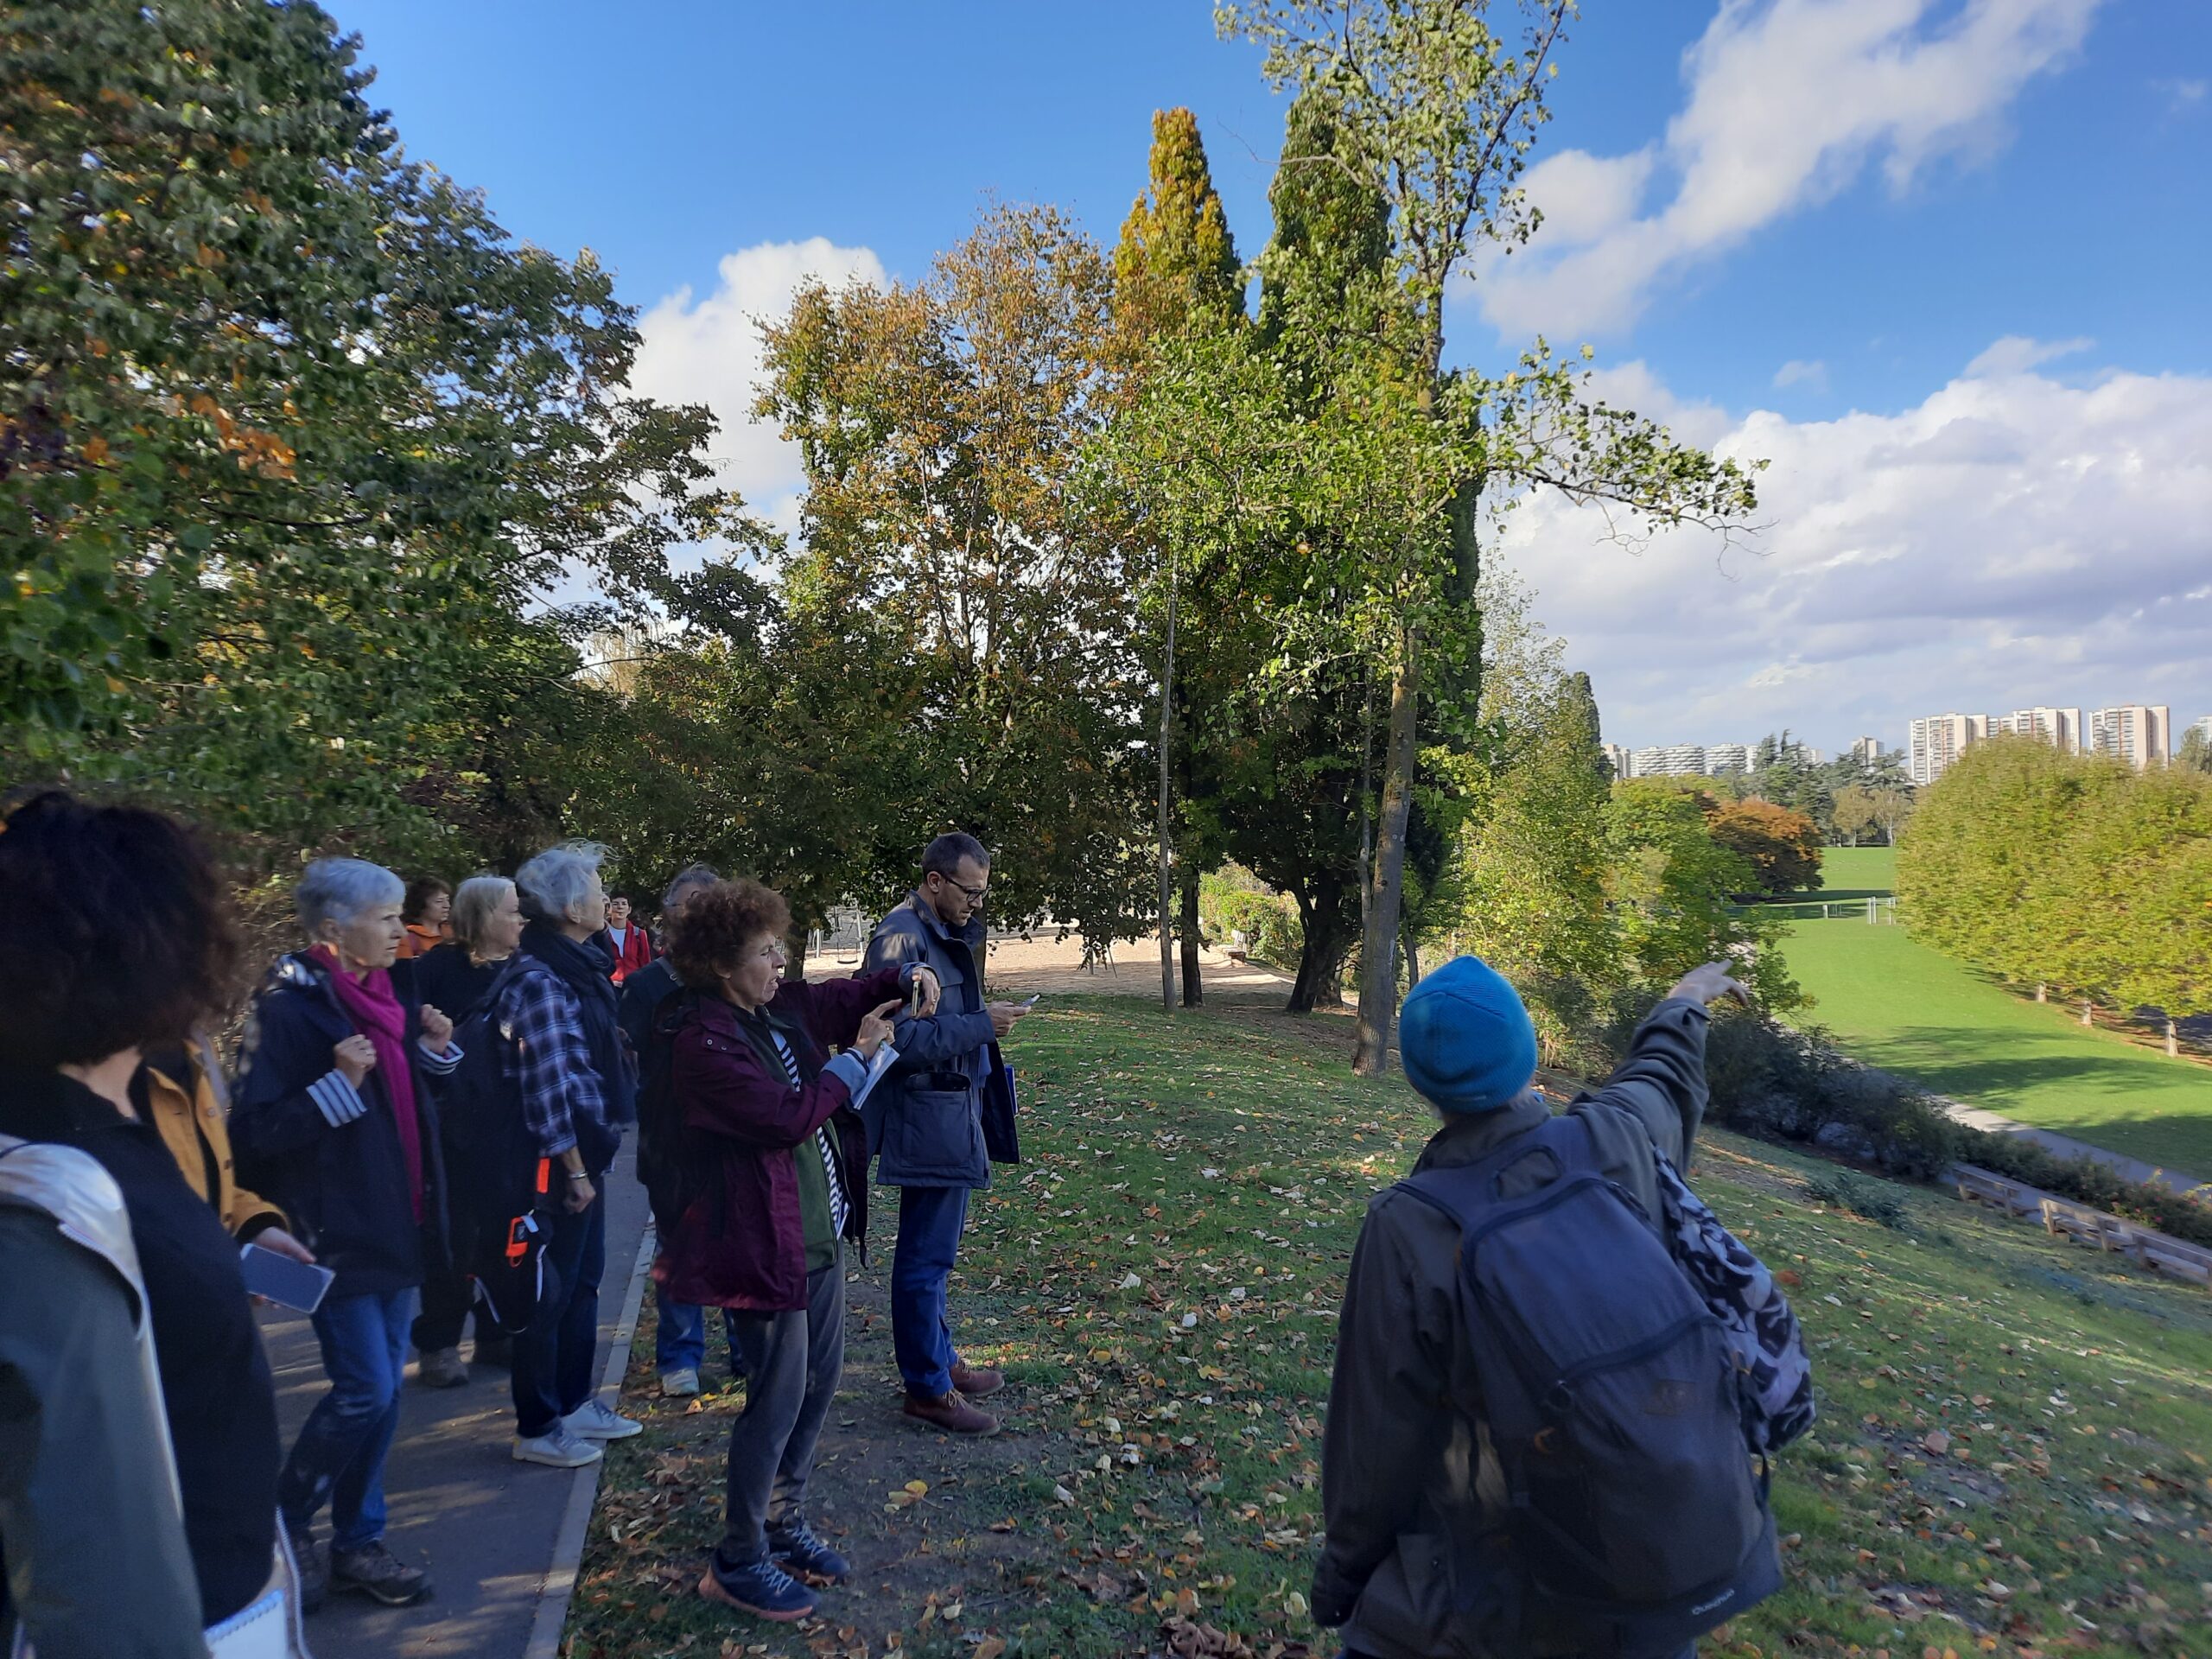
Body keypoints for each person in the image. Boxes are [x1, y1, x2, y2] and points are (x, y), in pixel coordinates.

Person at [1311, 957, 1757, 1659]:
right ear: (1524, 1051)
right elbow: (1660, 1080)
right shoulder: (1615, 1139)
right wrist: (1686, 999)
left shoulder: (1408, 1227)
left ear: (1424, 1082)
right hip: (1639, 1581)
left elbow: (1375, 1441)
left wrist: (1342, 1577)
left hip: (1478, 1600)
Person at [0, 790, 288, 1643]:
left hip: (227, 1583)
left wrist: (245, 1230)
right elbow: (86, 1524)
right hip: (181, 1617)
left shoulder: (119, 1116)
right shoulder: (49, 1190)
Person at [655, 879, 922, 1623]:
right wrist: (856, 1060)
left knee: (818, 1388)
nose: (779, 964)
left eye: (779, 948)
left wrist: (904, 975)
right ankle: (738, 1560)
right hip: (764, 1248)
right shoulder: (701, 1043)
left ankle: (782, 1520)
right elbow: (784, 1117)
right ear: (718, 967)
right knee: (773, 1404)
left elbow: (840, 997)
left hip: (820, 1236)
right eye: (764, 954)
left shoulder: (778, 1010)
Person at [232, 856, 458, 1611]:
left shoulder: (383, 996)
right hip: (333, 1234)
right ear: (334, 929)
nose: (404, 929)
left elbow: (402, 1110)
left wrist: (429, 1052)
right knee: (364, 1388)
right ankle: (285, 1521)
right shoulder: (290, 1008)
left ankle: (359, 1543)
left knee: (385, 1392)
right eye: (388, 917)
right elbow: (255, 1133)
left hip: (397, 1220)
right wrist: (339, 1084)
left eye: (401, 914)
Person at [861, 832, 1029, 1435]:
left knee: (938, 1254)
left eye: (983, 892)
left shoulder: (936, 931)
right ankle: (927, 1388)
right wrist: (984, 1026)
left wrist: (980, 1028)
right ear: (935, 881)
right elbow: (898, 1040)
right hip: (925, 1112)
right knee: (924, 1257)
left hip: (951, 1107)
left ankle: (940, 1360)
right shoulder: (903, 937)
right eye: (970, 891)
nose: (977, 903)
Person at [497, 841, 641, 1468]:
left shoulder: (577, 963)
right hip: (558, 1164)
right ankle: (538, 1424)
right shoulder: (540, 976)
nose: (603, 892)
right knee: (546, 1296)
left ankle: (577, 1401)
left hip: (588, 1154)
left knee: (583, 1284)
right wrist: (575, 1169)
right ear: (567, 903)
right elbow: (548, 1088)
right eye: (593, 884)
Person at [617, 862, 734, 1396]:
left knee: (737, 1240)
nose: (696, 914)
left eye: (708, 905)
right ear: (667, 916)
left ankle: (747, 1348)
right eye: (688, 904)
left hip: (731, 1135)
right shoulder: (644, 987)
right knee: (679, 1246)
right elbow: (629, 1065)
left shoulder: (731, 980)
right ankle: (679, 1357)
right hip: (670, 1140)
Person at [407, 874, 528, 1387]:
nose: (522, 918)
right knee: (453, 1239)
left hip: (513, 1125)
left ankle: (496, 1334)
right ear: (482, 917)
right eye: (511, 910)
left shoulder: (529, 971)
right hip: (451, 1128)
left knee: (509, 1235)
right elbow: (409, 1042)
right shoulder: (434, 969)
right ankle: (438, 1344)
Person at [601, 892, 654, 984]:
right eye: (615, 904)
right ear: (609, 909)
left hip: (634, 986)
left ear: (629, 910)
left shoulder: (639, 934)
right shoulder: (602, 934)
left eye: (624, 904)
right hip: (610, 986)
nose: (620, 907)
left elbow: (646, 964)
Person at [395, 875, 452, 961]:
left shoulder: (455, 934)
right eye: (439, 901)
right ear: (420, 905)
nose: (447, 906)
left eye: (447, 900)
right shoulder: (406, 937)